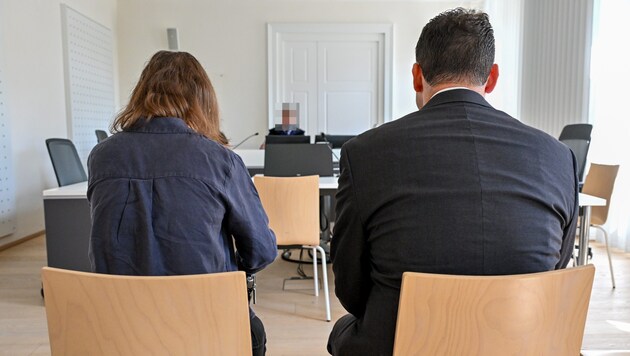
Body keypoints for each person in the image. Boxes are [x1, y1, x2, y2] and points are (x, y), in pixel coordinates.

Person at [327, 8, 578, 356]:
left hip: (402, 345)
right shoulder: (557, 156)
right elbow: (556, 269)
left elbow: (350, 289)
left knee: (342, 331)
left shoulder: (364, 153)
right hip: (521, 343)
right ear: (491, 78)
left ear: (417, 76)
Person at [87, 51, 277, 356]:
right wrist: (229, 270)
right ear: (202, 100)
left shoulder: (102, 156)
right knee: (254, 335)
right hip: (203, 322)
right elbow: (261, 251)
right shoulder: (220, 160)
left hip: (119, 326)